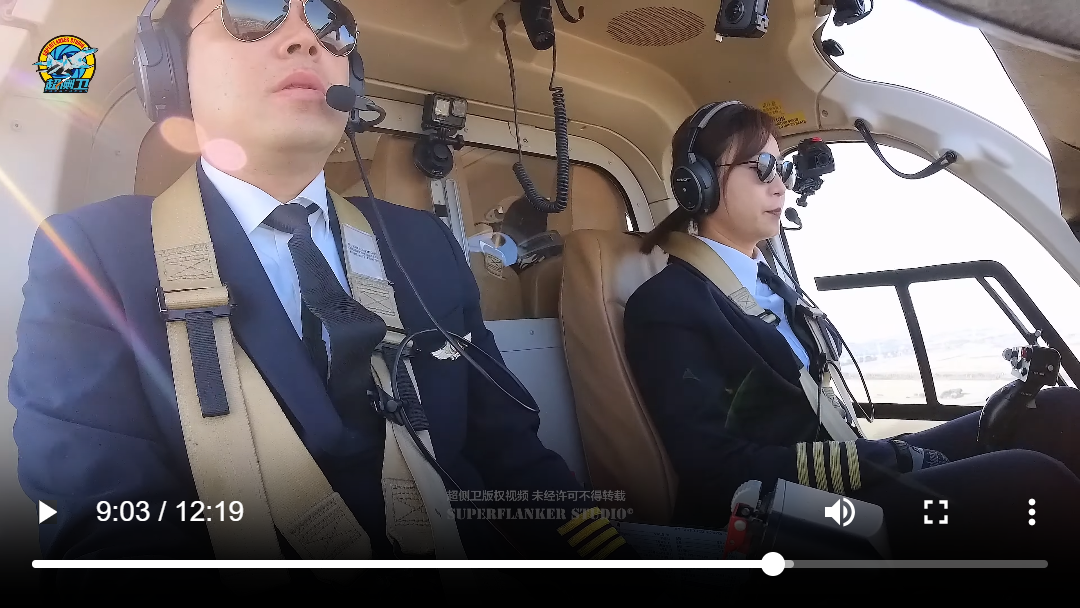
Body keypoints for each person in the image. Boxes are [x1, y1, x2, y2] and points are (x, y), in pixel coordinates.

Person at [9, 0, 635, 586]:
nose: (305, 39)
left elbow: (510, 450)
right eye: (253, 11)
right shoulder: (94, 255)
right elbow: (104, 521)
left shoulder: (422, 244)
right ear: (170, 72)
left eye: (328, 22)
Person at [622, 101, 1080, 560]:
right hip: (783, 512)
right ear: (697, 183)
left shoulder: (771, 283)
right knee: (1031, 482)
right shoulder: (668, 305)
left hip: (847, 470)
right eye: (761, 167)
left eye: (781, 167)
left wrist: (878, 459)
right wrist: (884, 461)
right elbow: (716, 470)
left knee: (1058, 412)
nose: (780, 185)